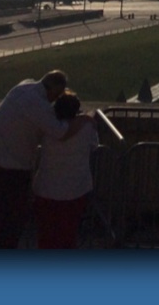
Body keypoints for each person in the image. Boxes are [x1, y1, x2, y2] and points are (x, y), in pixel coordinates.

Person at [0, 70, 91, 249]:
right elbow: (60, 131)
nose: (53, 102)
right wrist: (83, 120)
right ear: (54, 90)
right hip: (10, 173)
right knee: (9, 229)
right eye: (55, 97)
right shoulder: (38, 104)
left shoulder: (22, 87)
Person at [32, 91, 100, 249]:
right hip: (75, 190)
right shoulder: (87, 128)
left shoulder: (48, 128)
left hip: (46, 189)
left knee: (46, 237)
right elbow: (94, 146)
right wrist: (85, 119)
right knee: (68, 237)